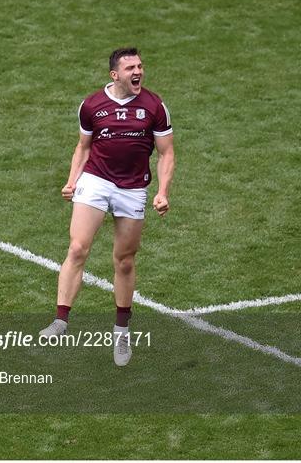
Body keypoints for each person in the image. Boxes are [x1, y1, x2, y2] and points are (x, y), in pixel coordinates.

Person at [40, 47, 175, 366]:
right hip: (96, 181)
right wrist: (72, 180)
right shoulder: (92, 105)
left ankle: (121, 331)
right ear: (115, 75)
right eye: (130, 68)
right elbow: (83, 146)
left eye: (140, 66)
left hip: (133, 188)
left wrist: (163, 191)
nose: (138, 71)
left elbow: (167, 153)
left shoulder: (155, 106)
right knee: (77, 248)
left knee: (125, 260)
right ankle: (61, 320)